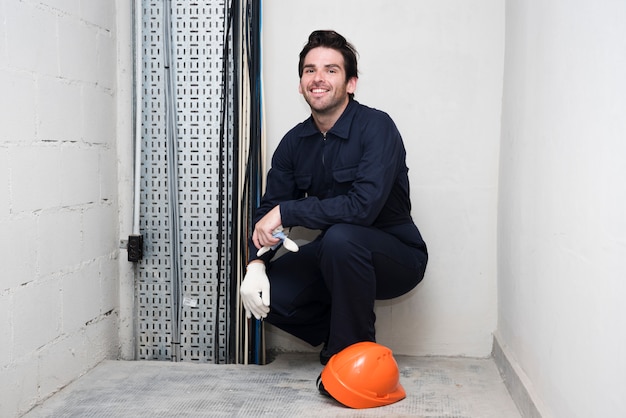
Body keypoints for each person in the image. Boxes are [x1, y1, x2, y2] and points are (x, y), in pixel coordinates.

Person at [240, 30, 428, 366]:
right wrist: (255, 263)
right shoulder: (294, 143)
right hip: (335, 256)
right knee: (271, 294)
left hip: (396, 255)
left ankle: (352, 358)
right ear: (301, 85)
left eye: (331, 70)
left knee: (341, 238)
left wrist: (289, 211)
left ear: (351, 83)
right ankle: (342, 328)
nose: (318, 78)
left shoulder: (377, 127)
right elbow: (268, 211)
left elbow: (362, 208)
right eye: (310, 70)